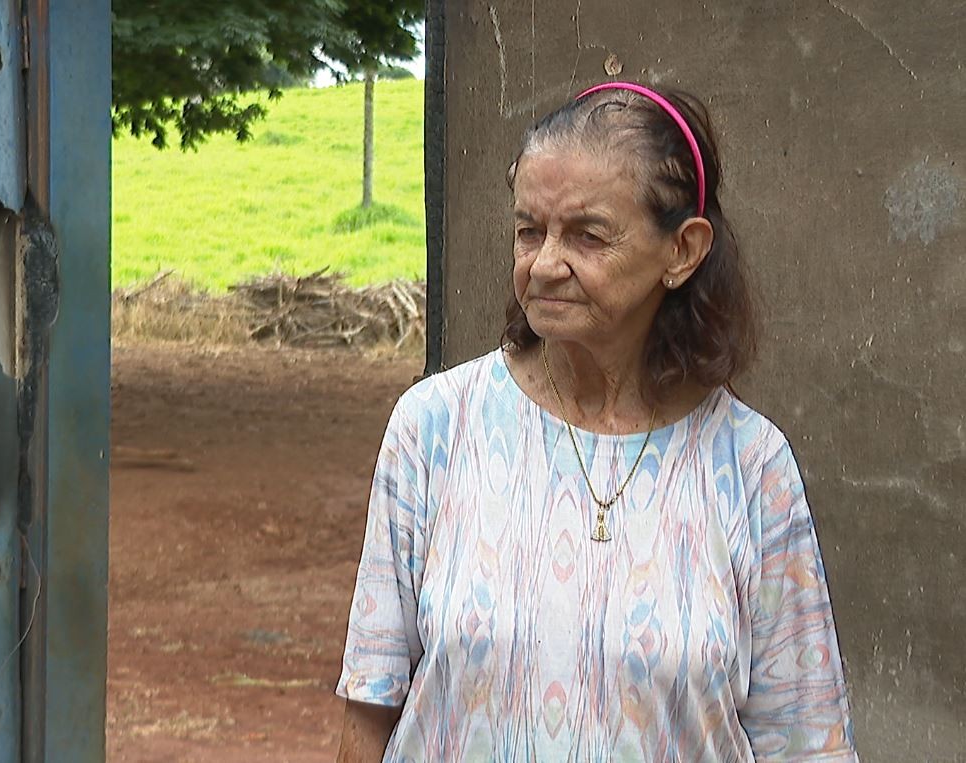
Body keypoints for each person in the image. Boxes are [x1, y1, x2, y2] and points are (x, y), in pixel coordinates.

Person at [334, 82, 857, 761]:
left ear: (682, 250)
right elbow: (370, 705)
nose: (545, 263)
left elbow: (806, 738)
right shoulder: (435, 427)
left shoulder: (748, 464)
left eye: (586, 234)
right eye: (529, 229)